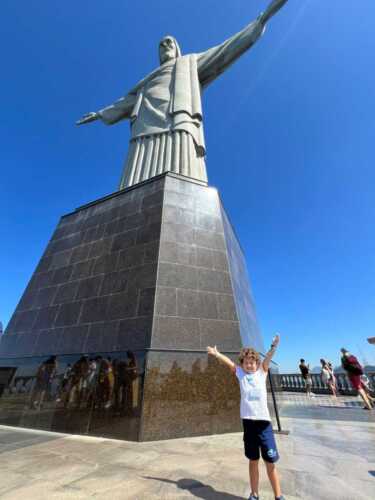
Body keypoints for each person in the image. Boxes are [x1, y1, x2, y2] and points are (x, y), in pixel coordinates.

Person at [77, 0, 289, 189]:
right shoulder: (146, 82)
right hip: (144, 125)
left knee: (182, 171)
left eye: (169, 42)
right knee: (136, 175)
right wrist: (100, 114)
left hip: (177, 118)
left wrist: (261, 20)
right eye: (161, 45)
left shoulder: (189, 63)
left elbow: (224, 51)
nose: (165, 46)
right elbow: (126, 103)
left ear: (177, 48)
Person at [207, 335, 285, 500]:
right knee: (253, 460)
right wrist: (216, 354)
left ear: (257, 363)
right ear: (242, 364)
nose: (250, 364)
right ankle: (254, 494)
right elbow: (229, 363)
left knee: (270, 462)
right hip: (249, 424)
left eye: (252, 362)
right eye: (246, 362)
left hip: (264, 425)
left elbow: (268, 358)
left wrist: (273, 347)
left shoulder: (262, 372)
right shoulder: (240, 374)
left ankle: (278, 496)